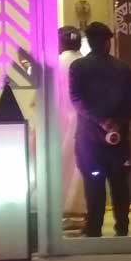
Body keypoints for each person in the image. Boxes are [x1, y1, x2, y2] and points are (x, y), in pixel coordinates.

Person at [68, 22, 131, 238]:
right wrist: (118, 122)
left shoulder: (78, 67)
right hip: (119, 139)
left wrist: (101, 121)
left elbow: (77, 99)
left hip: (89, 139)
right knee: (120, 185)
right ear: (108, 42)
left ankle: (94, 230)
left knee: (93, 186)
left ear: (88, 42)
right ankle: (122, 228)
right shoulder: (123, 68)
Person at [56, 26, 85, 225]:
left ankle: (63, 209)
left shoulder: (58, 63)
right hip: (85, 119)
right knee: (80, 166)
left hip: (62, 120)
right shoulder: (85, 61)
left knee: (62, 164)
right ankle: (80, 209)